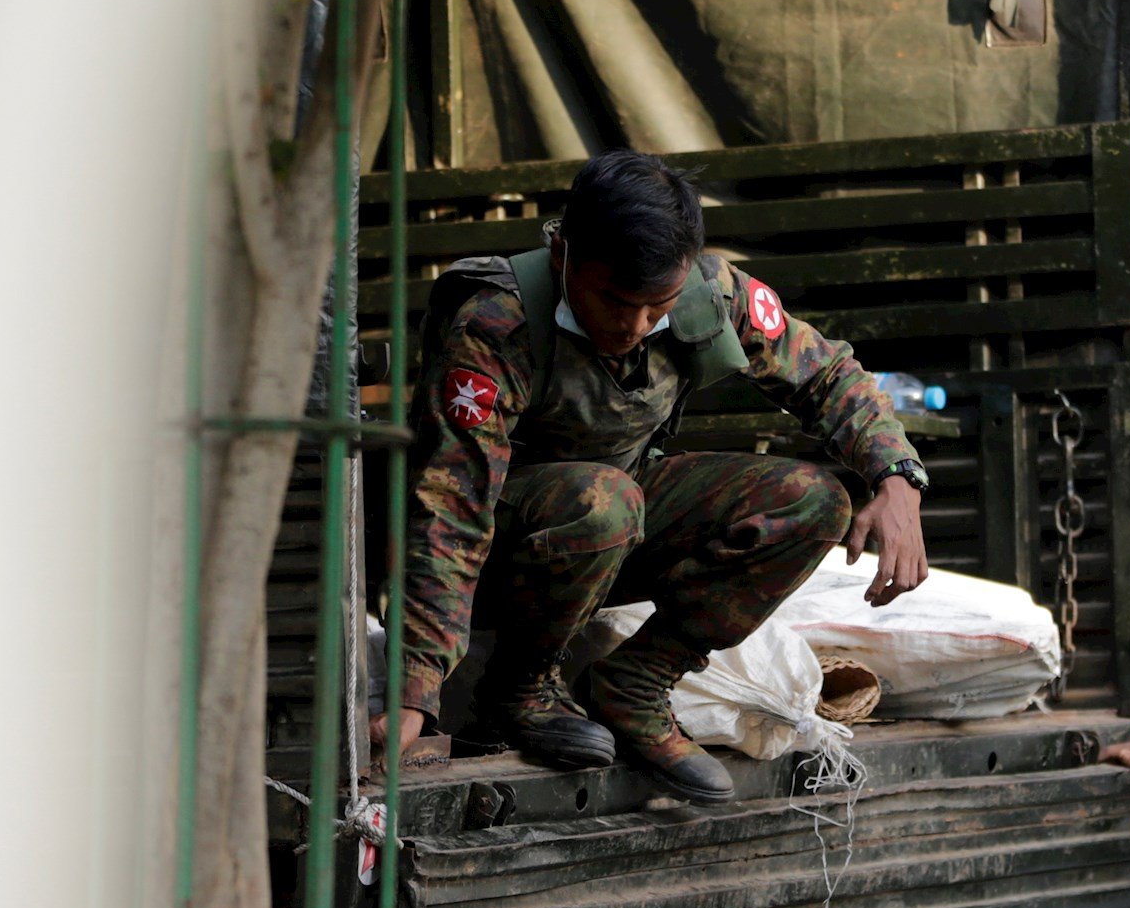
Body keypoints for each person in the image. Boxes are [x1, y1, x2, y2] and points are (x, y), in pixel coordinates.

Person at [379, 150, 932, 800]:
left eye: (657, 305)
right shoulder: (497, 324)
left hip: (613, 529)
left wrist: (896, 477)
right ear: (563, 256)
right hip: (505, 556)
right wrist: (414, 687)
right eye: (614, 301)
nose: (636, 326)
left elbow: (826, 372)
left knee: (814, 502)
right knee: (603, 500)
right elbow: (451, 508)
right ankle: (520, 689)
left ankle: (637, 683)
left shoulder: (710, 293)